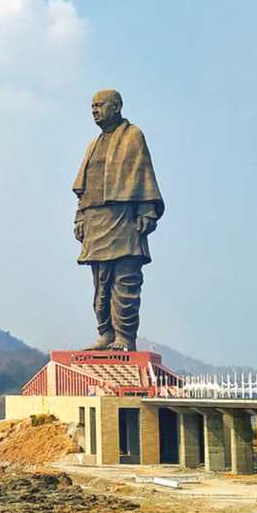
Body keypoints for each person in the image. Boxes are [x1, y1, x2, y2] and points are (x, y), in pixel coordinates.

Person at [73, 90, 164, 351]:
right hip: (95, 220)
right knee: (100, 283)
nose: (94, 110)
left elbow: (142, 174)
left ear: (117, 106)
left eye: (100, 105)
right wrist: (79, 218)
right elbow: (83, 189)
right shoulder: (93, 145)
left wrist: (146, 210)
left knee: (125, 280)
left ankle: (125, 336)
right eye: (92, 106)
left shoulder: (132, 136)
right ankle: (106, 333)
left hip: (123, 219)